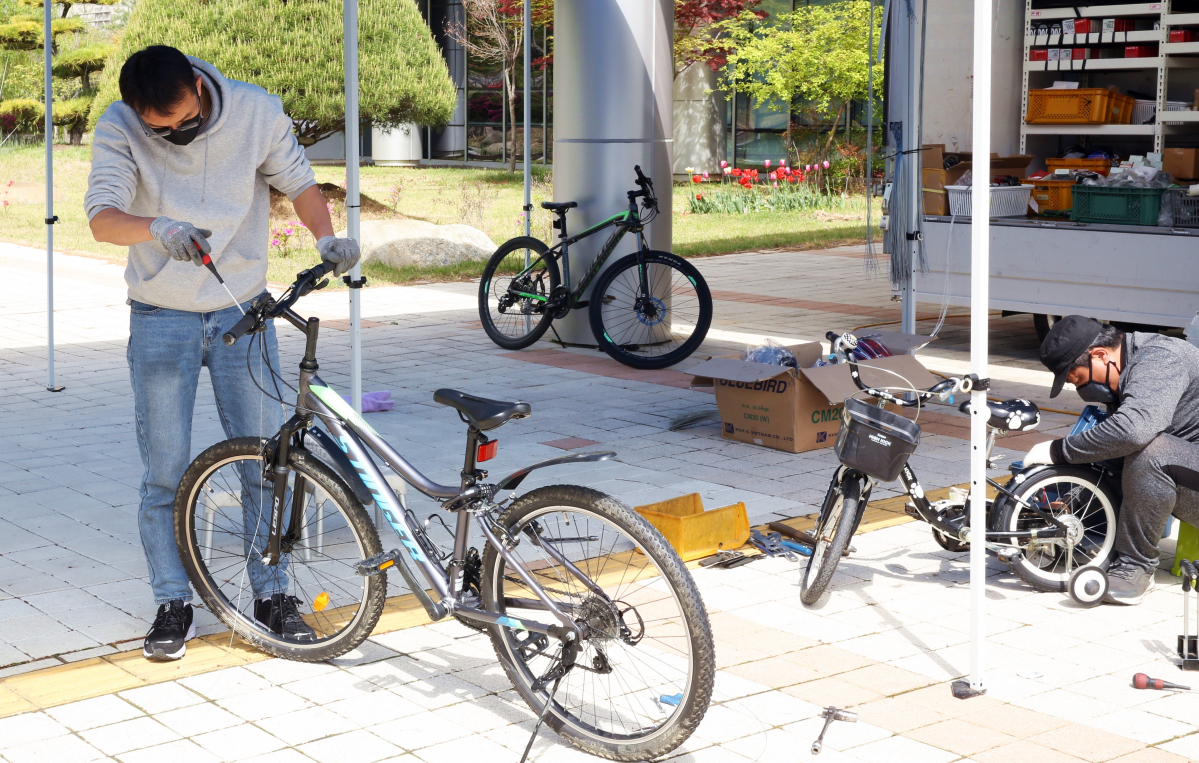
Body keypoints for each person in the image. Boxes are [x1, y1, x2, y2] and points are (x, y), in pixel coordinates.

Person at [85, 45, 360, 660]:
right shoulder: (118, 124)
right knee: (165, 469)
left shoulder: (255, 112)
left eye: (184, 122)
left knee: (267, 458)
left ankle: (272, 594)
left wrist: (329, 238)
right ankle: (172, 600)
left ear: (200, 91)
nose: (177, 136)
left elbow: (301, 183)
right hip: (160, 315)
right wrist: (157, 227)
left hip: (244, 308)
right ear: (136, 113)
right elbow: (103, 217)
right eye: (163, 131)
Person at [1026, 315, 1199, 605]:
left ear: (1101, 355)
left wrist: (1058, 450)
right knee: (1122, 446)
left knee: (1151, 450)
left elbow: (1133, 432)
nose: (1082, 391)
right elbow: (1112, 457)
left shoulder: (1160, 360)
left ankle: (1136, 567)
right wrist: (1071, 504)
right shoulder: (1129, 367)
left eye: (1078, 379)